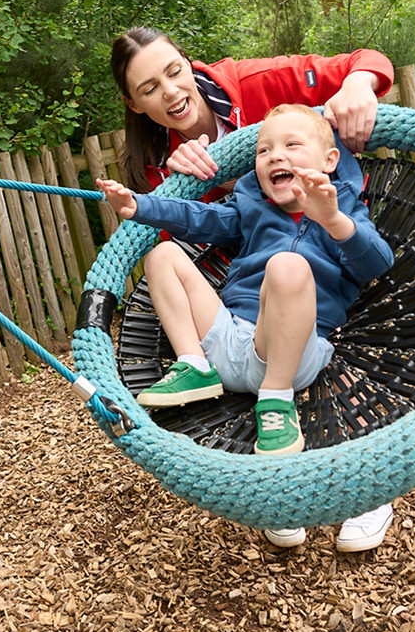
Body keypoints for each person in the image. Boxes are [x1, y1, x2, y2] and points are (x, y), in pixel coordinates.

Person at [98, 105, 395, 551]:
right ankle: (192, 364)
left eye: (292, 145)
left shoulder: (345, 209)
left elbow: (377, 263)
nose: (275, 156)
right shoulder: (250, 205)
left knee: (289, 266)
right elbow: (197, 219)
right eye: (263, 150)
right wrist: (140, 206)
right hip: (231, 341)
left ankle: (275, 402)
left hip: (293, 353)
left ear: (329, 161)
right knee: (162, 257)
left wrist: (333, 220)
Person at [109, 26, 395, 199]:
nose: (171, 91)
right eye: (149, 90)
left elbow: (366, 60)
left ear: (188, 62)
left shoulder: (254, 82)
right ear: (133, 104)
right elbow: (190, 248)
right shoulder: (156, 166)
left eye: (175, 71)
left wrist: (358, 83)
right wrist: (184, 189)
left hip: (333, 219)